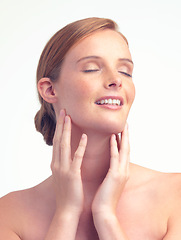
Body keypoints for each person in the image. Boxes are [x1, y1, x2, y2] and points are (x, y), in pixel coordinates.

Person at [0, 17, 181, 240]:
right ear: (50, 90)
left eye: (125, 71)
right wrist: (66, 214)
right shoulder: (8, 214)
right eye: (92, 69)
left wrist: (105, 216)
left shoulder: (176, 196)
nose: (116, 80)